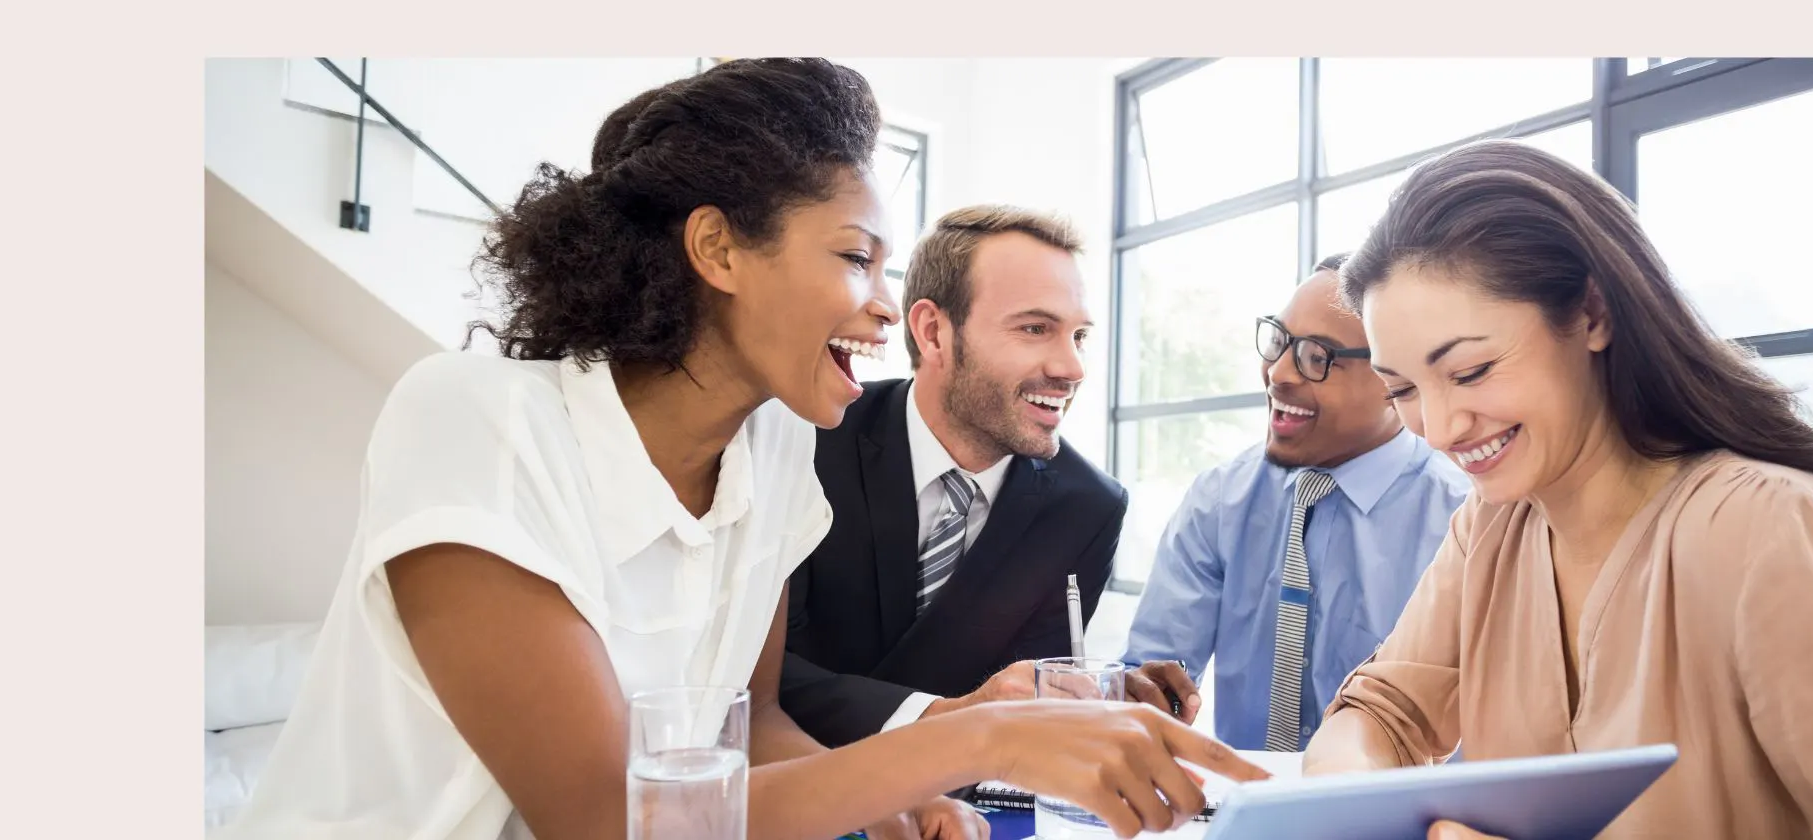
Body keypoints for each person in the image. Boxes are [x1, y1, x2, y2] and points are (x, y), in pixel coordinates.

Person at [223, 59, 1261, 840]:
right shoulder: (475, 417)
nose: (885, 307)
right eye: (853, 258)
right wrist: (972, 737)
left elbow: (749, 722)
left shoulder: (770, 452)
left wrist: (893, 803)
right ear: (716, 249)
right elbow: (599, 817)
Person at [1306, 138, 1813, 838]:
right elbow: (1383, 713)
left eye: (1469, 371)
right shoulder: (1492, 530)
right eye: (1401, 388)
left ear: (1592, 315)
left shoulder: (1765, 528)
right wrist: (1358, 800)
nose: (1437, 428)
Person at [781, 205, 1196, 749]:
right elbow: (754, 676)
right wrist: (942, 715)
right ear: (933, 333)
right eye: (1035, 328)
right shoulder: (806, 443)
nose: (1072, 368)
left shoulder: (1088, 508)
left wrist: (1103, 691)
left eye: (1079, 336)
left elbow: (1028, 699)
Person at [1118, 255, 1471, 752]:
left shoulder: (1466, 519)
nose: (1278, 372)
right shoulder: (1220, 500)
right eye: (1279, 341)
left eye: (1316, 356)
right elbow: (1150, 675)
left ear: (1396, 380)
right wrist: (1143, 697)